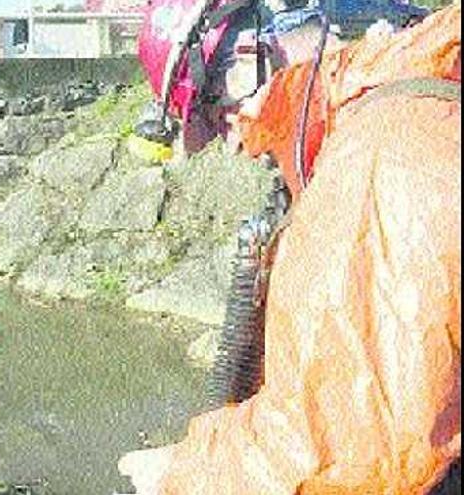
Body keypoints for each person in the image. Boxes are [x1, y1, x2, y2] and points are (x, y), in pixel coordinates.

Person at [118, 4, 460, 494]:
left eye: (218, 111)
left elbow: (349, 450)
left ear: (250, 52)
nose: (232, 143)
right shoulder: (415, 104)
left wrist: (180, 473)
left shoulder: (383, 155)